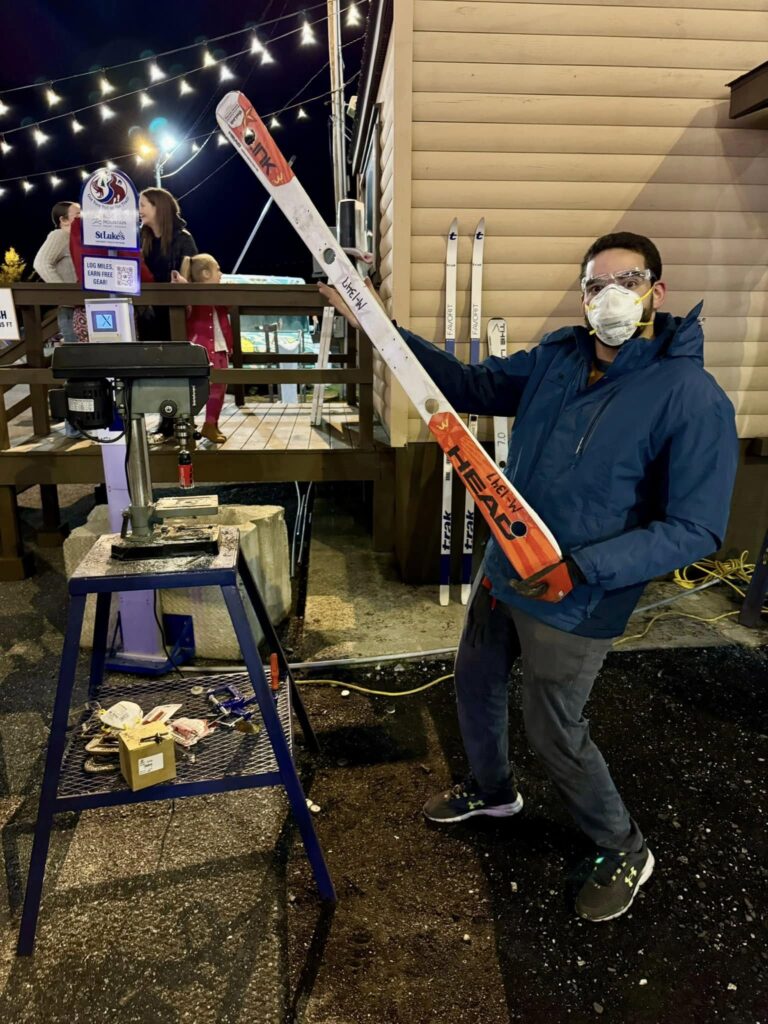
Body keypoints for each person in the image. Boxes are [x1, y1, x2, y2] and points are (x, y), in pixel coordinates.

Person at [319, 232, 739, 923]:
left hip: (579, 597)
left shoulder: (691, 397)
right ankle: (493, 792)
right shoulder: (558, 359)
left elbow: (696, 528)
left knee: (554, 729)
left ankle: (623, 845)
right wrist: (374, 320)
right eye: (595, 285)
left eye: (627, 281)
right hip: (505, 570)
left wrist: (583, 568)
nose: (610, 297)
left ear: (656, 292)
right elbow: (470, 385)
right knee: (476, 680)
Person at [137, 187, 198, 435]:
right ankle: (166, 419)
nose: (139, 211)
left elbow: (195, 274)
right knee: (157, 368)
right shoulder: (142, 238)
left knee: (177, 367)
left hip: (175, 315)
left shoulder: (183, 239)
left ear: (158, 207)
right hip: (150, 314)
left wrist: (186, 282)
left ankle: (183, 419)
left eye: (143, 205)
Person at [172, 254, 232, 444]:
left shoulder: (218, 295)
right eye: (218, 270)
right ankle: (195, 424)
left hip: (220, 347)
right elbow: (185, 305)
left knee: (220, 386)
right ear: (206, 274)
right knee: (205, 388)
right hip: (203, 349)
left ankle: (211, 424)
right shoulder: (194, 296)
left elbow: (230, 304)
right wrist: (183, 286)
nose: (221, 274)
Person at [33, 200, 81, 343]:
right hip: (70, 309)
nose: (82, 216)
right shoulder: (60, 235)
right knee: (78, 352)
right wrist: (64, 293)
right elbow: (41, 263)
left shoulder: (76, 239)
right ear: (64, 220)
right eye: (78, 214)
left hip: (80, 306)